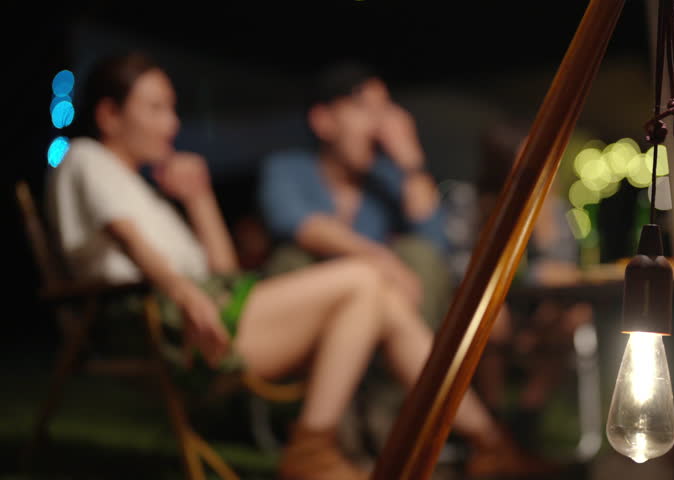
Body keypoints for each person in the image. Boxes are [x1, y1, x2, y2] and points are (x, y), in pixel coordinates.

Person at [47, 52, 561, 480]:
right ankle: (323, 447)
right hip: (167, 323)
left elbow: (223, 271)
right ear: (111, 115)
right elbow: (130, 240)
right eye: (157, 108)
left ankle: (487, 443)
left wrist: (201, 199)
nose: (173, 124)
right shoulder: (88, 158)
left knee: (374, 288)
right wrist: (185, 294)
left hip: (210, 308)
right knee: (368, 278)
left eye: (172, 108)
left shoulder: (141, 189)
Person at [259, 61, 451, 328]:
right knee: (292, 258)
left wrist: (411, 161)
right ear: (322, 120)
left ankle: (418, 363)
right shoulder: (287, 167)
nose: (377, 125)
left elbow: (435, 244)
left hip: (381, 318)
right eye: (363, 109)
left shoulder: (386, 180)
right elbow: (296, 224)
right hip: (309, 313)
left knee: (419, 254)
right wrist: (378, 258)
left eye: (383, 110)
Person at [446, 121, 592, 435]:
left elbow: (563, 272)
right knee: (491, 318)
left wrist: (545, 222)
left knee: (574, 315)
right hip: (489, 306)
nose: (540, 163)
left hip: (536, 310)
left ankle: (528, 418)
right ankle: (492, 419)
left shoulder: (553, 208)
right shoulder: (470, 204)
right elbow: (463, 270)